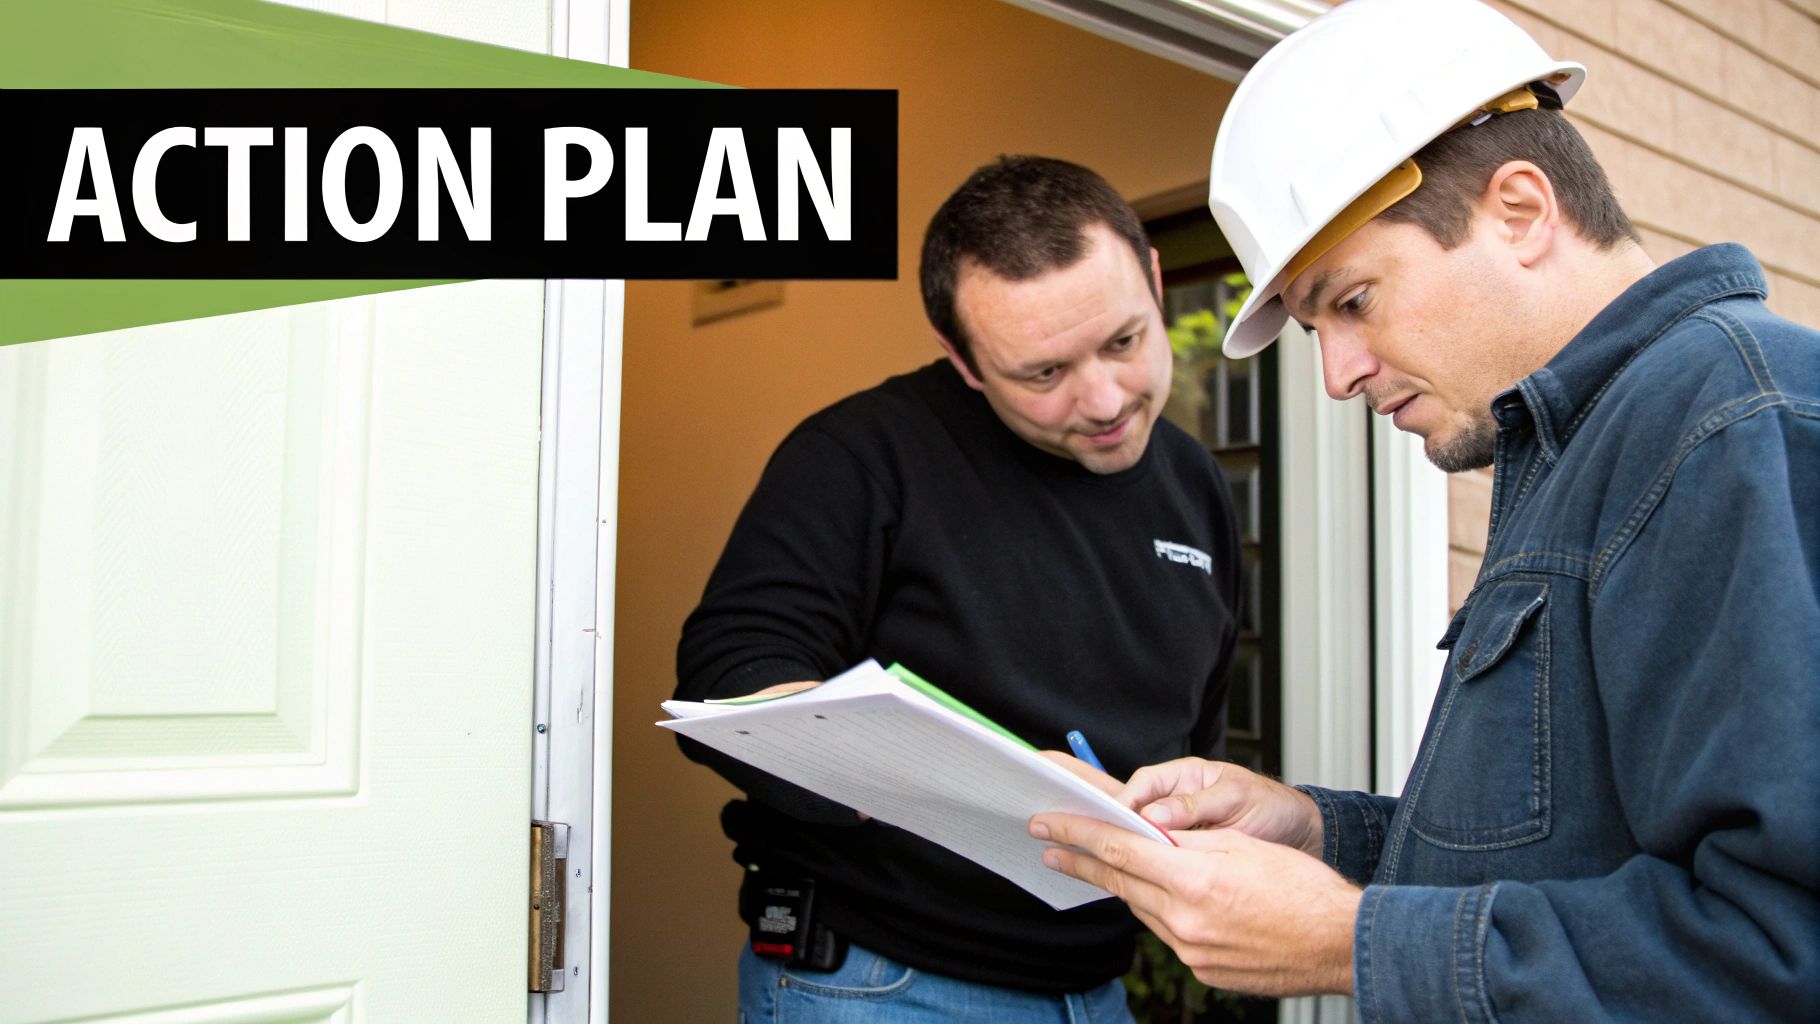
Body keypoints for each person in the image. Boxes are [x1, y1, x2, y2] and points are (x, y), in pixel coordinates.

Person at [1028, 1, 1820, 1020]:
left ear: (1520, 211)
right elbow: (1574, 849)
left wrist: (1344, 939)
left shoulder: (1729, 424)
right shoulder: (1575, 447)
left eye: (1350, 301)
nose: (1335, 376)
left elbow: (1778, 950)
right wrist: (1323, 833)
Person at [673, 155, 1242, 1022]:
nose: (1104, 398)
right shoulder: (860, 458)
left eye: (1123, 341)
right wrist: (990, 780)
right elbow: (732, 678)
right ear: (964, 359)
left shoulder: (1195, 483)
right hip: (881, 984)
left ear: (1154, 279)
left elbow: (1197, 728)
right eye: (1042, 374)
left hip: (1097, 986)